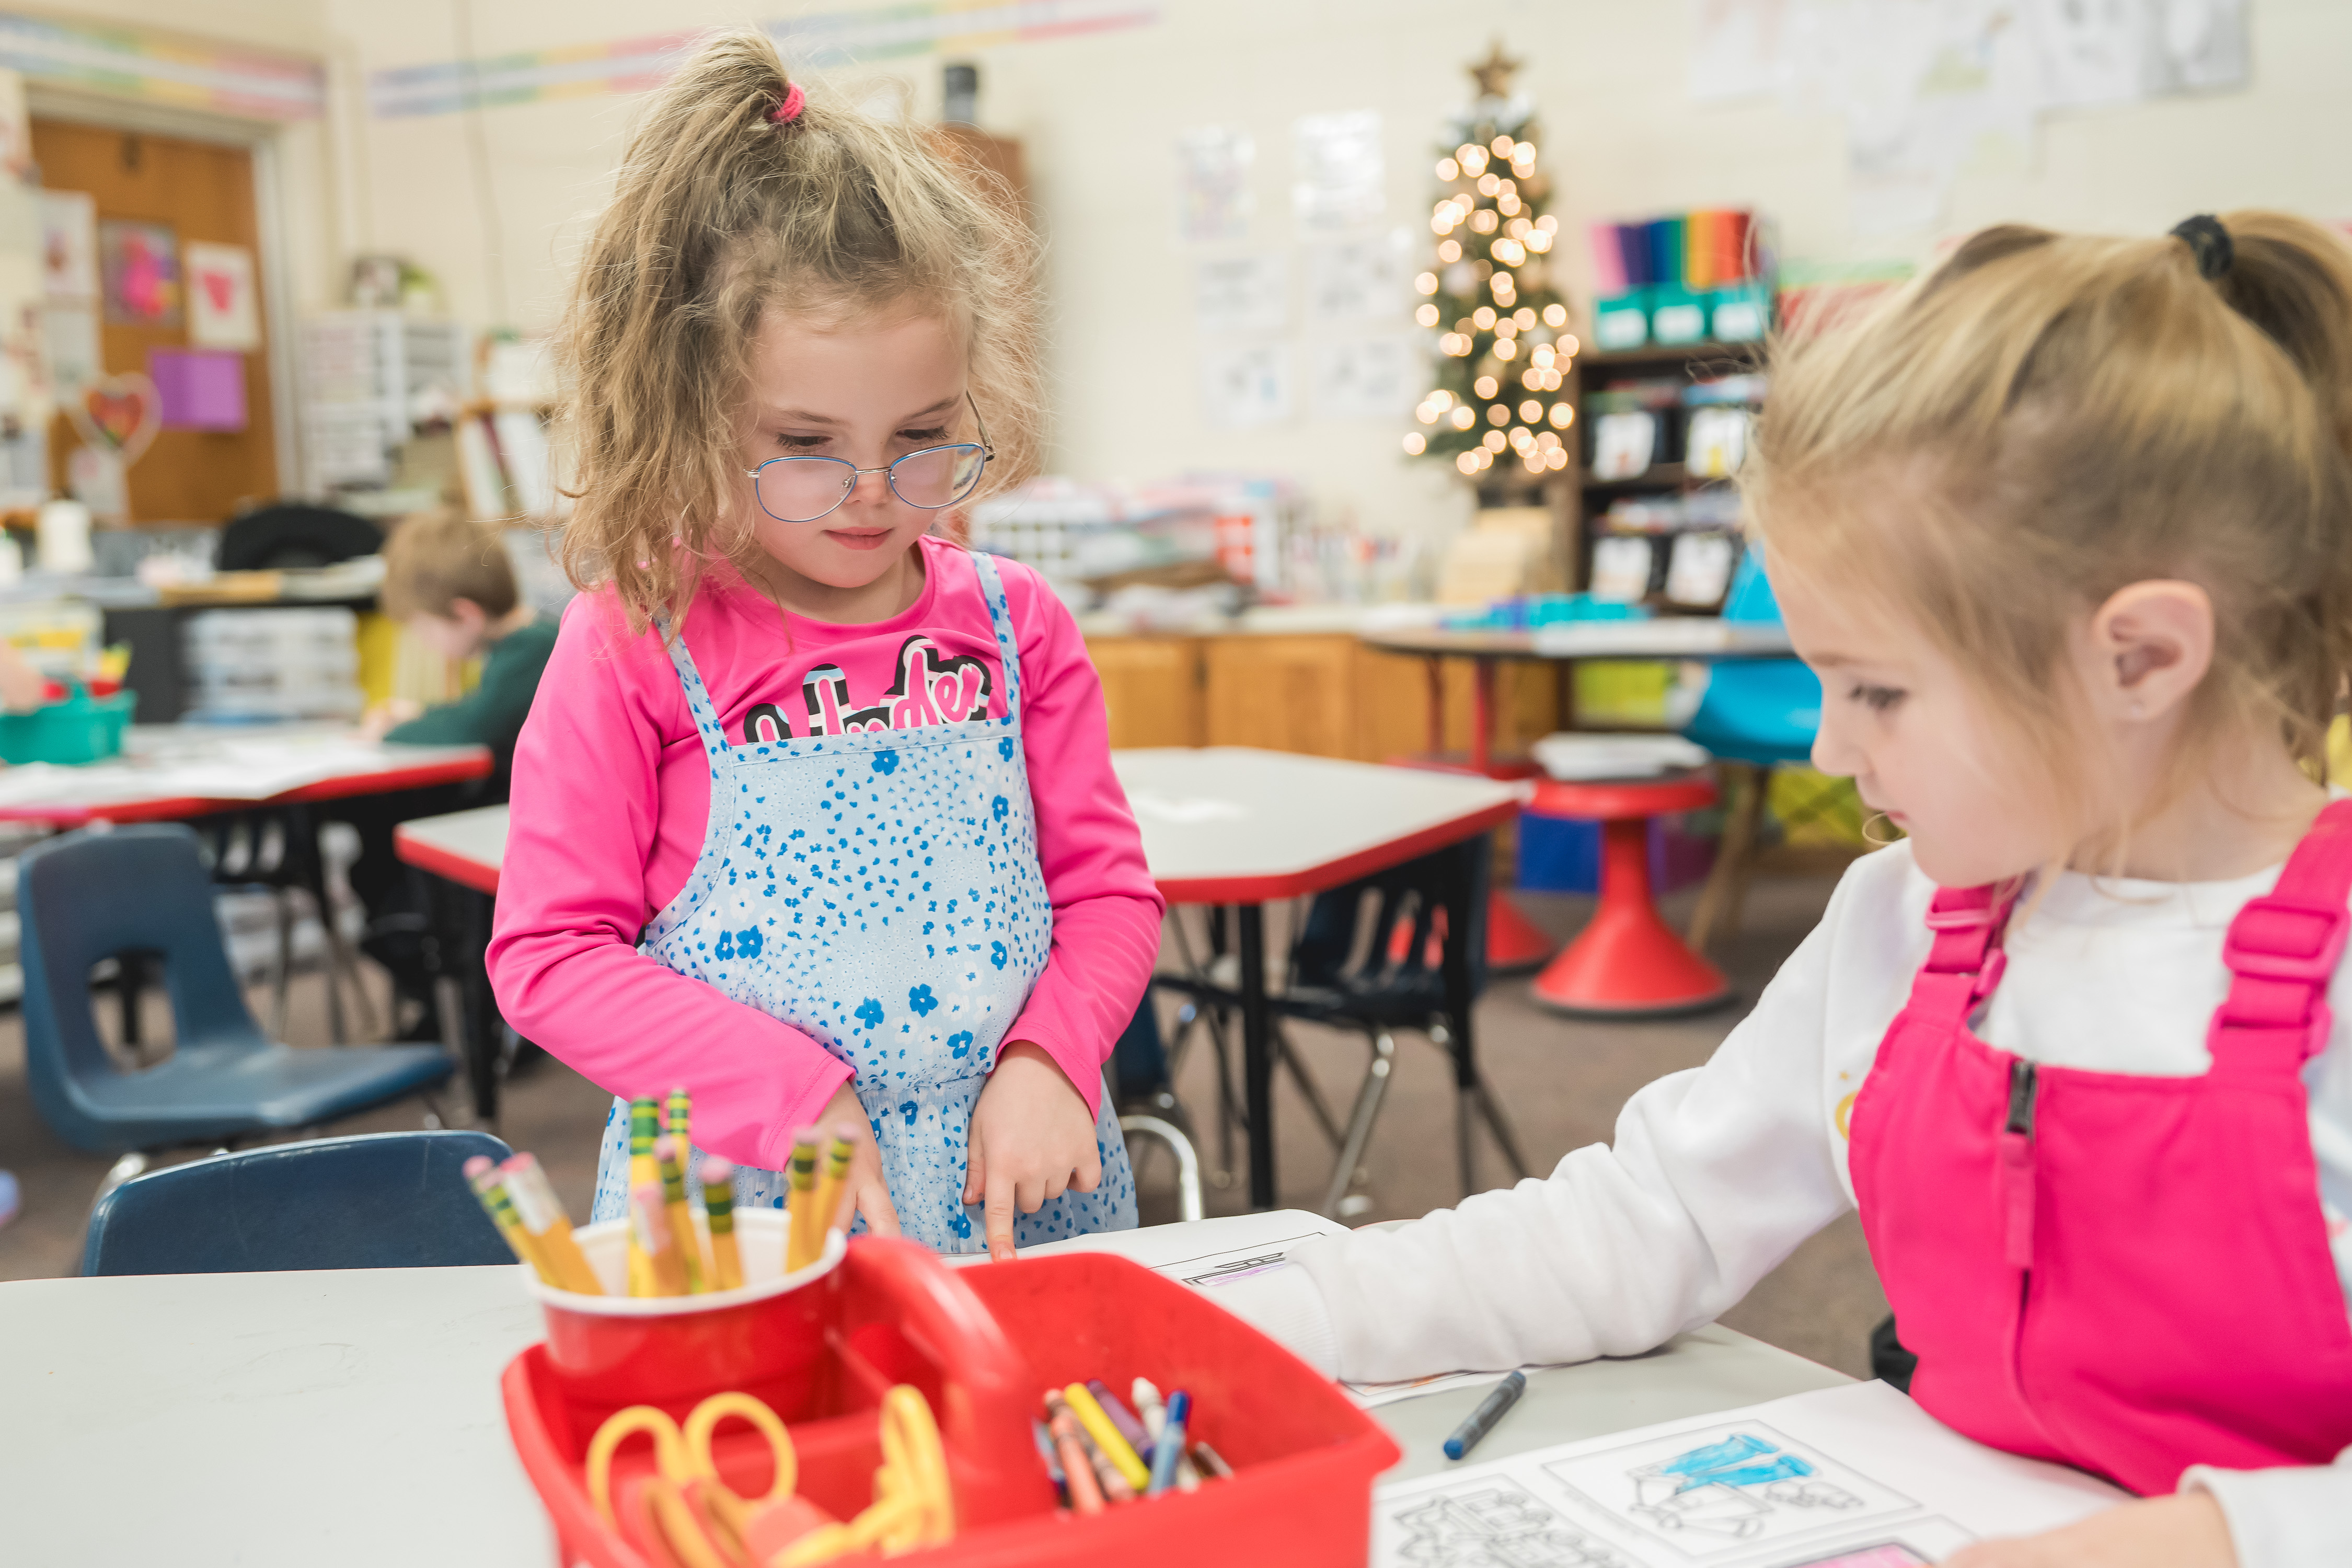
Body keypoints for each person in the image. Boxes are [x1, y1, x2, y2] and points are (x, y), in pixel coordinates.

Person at [1217, 213, 2352, 1568]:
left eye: (1874, 688)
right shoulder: (1899, 923)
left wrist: (2218, 1540)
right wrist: (1283, 1306)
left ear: (2139, 659)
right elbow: (1640, 1224)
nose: (1824, 748)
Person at [485, 31, 1158, 1261]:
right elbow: (547, 954)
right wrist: (791, 1093)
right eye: (804, 441)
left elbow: (1106, 894)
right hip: (751, 1198)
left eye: (919, 434)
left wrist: (1053, 1054)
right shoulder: (634, 641)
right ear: (693, 412)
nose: (868, 493)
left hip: (1016, 1184)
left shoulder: (1018, 627)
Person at [343, 508, 556, 1031]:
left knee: (389, 869)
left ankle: (458, 1001)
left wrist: (392, 729)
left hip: (525, 841)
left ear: (464, 615)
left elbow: (475, 724)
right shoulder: (512, 651)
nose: (422, 642)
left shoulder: (533, 649)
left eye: (422, 628)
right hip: (510, 828)